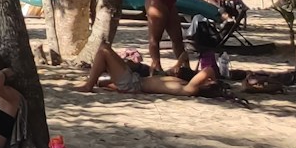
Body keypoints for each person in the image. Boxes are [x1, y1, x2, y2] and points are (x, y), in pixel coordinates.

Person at [74, 43, 221, 96]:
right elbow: (185, 56)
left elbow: (208, 70)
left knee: (104, 50)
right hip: (136, 81)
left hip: (134, 84)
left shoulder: (190, 89)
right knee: (106, 56)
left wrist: (215, 81)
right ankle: (100, 83)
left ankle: (89, 85)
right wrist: (178, 65)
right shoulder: (184, 83)